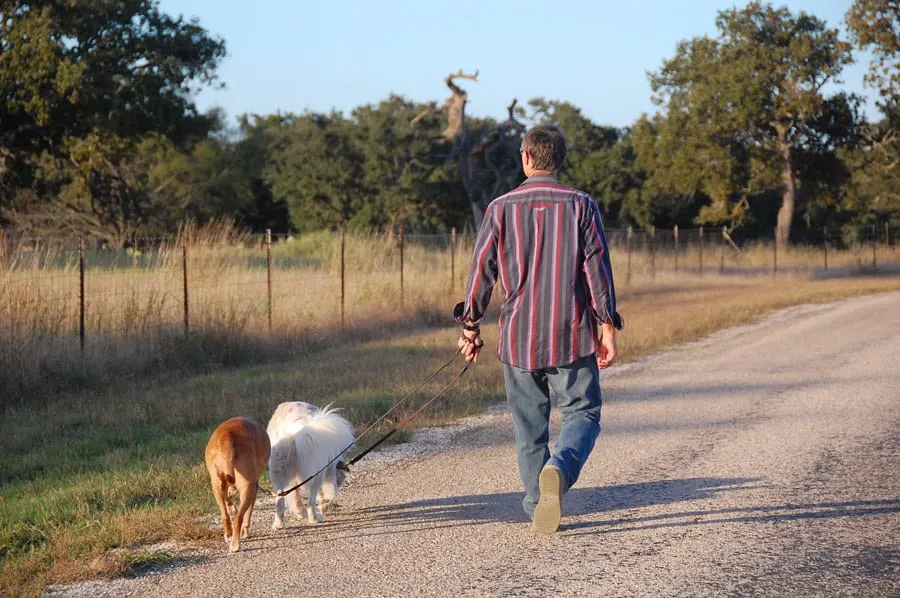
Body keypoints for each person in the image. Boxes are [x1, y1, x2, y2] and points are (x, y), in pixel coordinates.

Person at [454, 124, 622, 535]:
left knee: (529, 428)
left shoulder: (500, 208)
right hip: (572, 333)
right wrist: (607, 323)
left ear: (526, 158)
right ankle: (560, 469)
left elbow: (482, 273)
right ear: (558, 161)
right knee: (583, 412)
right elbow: (596, 269)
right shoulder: (582, 204)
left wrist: (471, 325)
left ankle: (537, 508)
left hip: (518, 338)